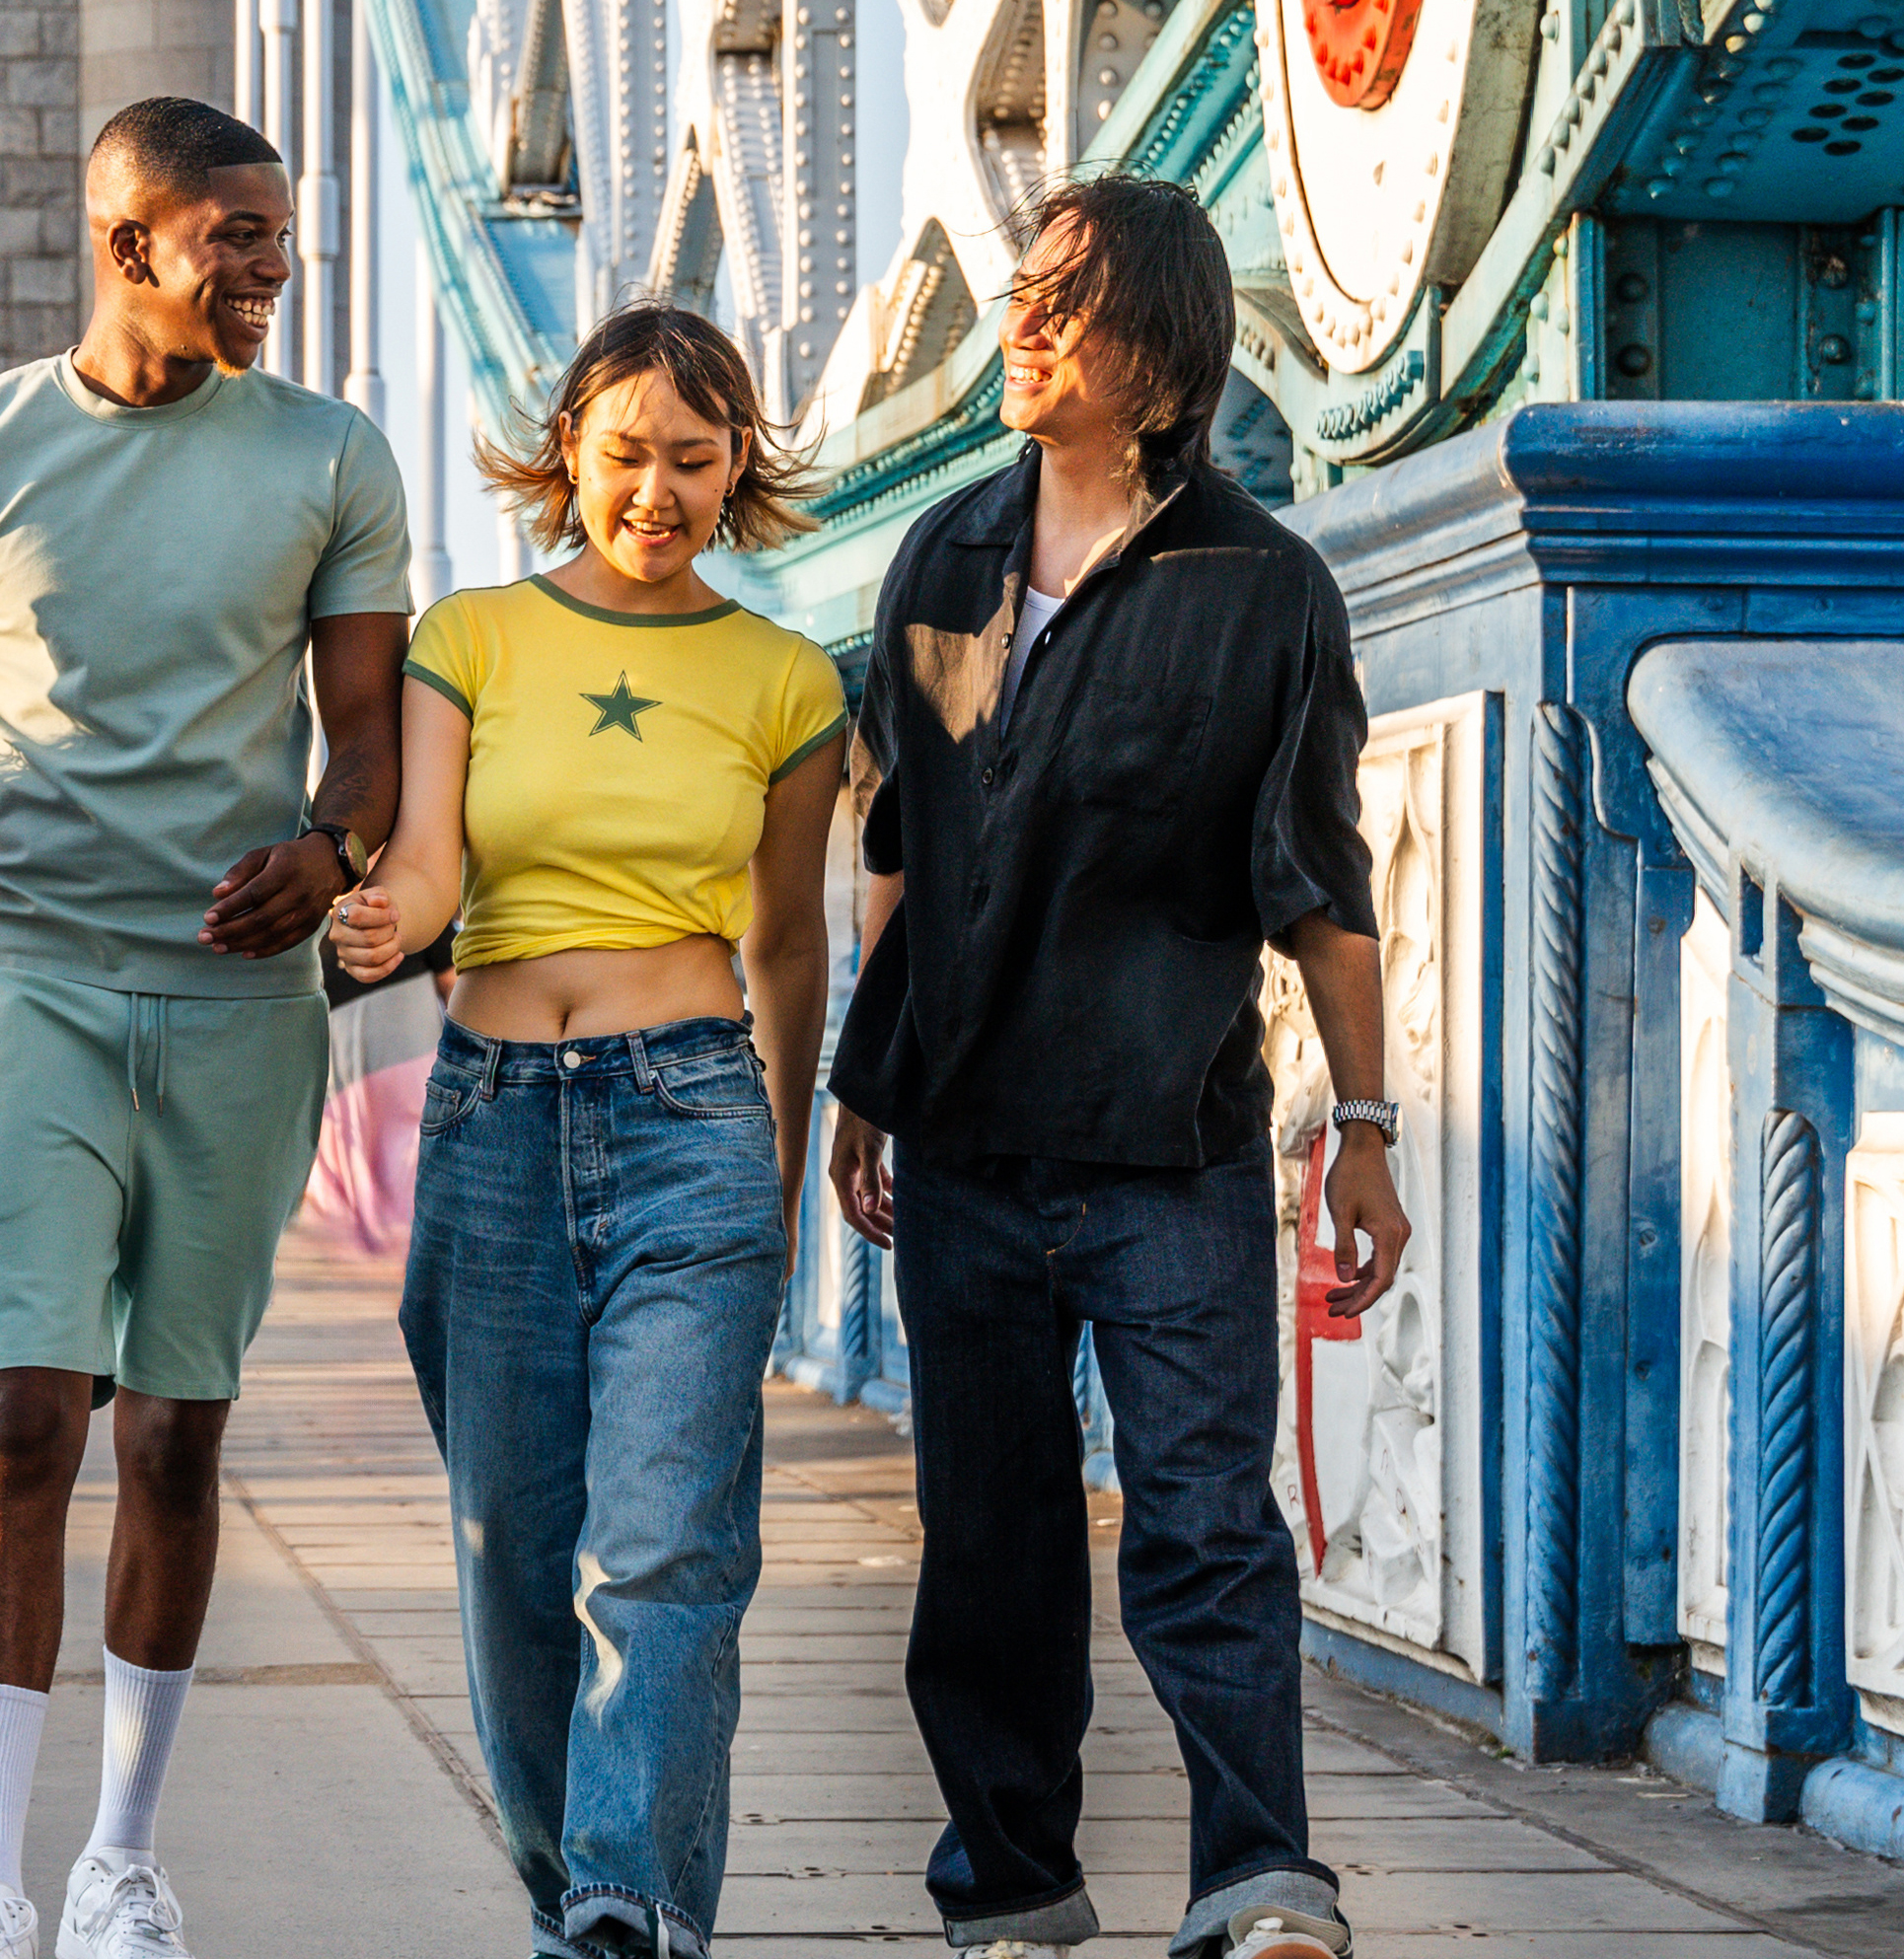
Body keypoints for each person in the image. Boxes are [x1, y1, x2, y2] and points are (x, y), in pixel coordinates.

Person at [0, 97, 413, 1959]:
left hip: (241, 1002)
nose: (269, 266)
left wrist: (331, 843)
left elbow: (369, 731)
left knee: (176, 1435)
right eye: (231, 236)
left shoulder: (332, 456)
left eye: (279, 236)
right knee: (22, 1414)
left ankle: (120, 1857)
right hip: (33, 987)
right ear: (126, 242)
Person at [823, 176, 1409, 1959]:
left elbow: (1323, 884)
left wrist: (1363, 1132)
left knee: (1206, 1530)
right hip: (970, 1152)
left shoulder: (1267, 586)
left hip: (1173, 1144)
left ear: (1158, 354)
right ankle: (1012, 1886)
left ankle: (1260, 1884)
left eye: (1065, 305)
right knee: (989, 1549)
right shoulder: (941, 556)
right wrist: (865, 1079)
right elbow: (897, 854)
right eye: (1021, 292)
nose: (1021, 325)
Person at [328, 304, 841, 1959]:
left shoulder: (789, 679)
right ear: (568, 456)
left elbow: (785, 942)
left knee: (668, 1545)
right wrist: (374, 918)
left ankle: (632, 1906)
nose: (659, 489)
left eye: (698, 458)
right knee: (510, 1557)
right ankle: (576, 1904)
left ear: (737, 467)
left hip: (691, 1112)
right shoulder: (470, 636)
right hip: (491, 1123)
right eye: (627, 453)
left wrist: (776, 1154)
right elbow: (430, 864)